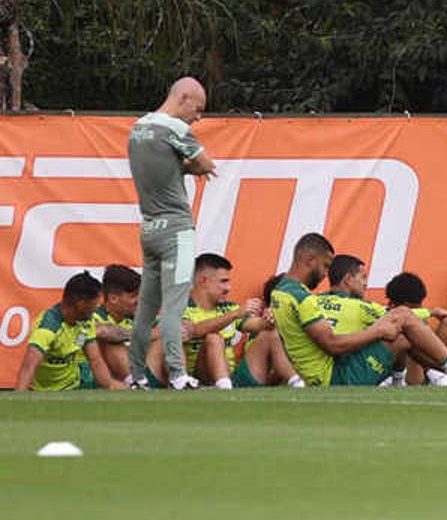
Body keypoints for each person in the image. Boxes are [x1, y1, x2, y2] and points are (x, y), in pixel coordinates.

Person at [273, 233, 447, 387]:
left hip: (321, 374)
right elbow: (332, 345)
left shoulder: (280, 292)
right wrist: (378, 331)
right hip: (336, 377)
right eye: (325, 266)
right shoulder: (303, 298)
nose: (325, 274)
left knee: (401, 335)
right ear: (310, 260)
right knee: (403, 315)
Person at [127, 77, 217, 389]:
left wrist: (178, 166)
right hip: (177, 230)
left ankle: (136, 375)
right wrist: (193, 167)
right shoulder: (175, 129)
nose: (199, 117)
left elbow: (161, 166)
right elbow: (206, 163)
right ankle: (178, 375)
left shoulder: (138, 128)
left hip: (149, 228)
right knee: (174, 307)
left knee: (145, 308)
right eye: (199, 108)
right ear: (183, 97)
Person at [181, 253, 296, 388]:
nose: (228, 288)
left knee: (270, 334)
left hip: (232, 376)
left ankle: (298, 383)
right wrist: (235, 314)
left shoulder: (230, 308)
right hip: (200, 378)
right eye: (223, 281)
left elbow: (256, 325)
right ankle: (224, 388)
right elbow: (193, 331)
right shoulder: (181, 309)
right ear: (203, 281)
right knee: (213, 338)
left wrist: (270, 320)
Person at [15, 272, 119, 391]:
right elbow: (29, 366)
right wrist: (18, 400)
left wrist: (110, 387)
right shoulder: (48, 327)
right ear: (80, 303)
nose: (97, 308)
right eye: (95, 303)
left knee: (122, 389)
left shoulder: (86, 321)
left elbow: (95, 360)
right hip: (44, 391)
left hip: (77, 384)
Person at [88, 263, 143, 386]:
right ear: (113, 299)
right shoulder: (92, 316)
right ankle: (135, 383)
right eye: (134, 296)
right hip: (98, 378)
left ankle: (179, 380)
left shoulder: (139, 317)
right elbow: (104, 331)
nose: (140, 300)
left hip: (141, 371)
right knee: (112, 340)